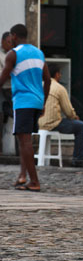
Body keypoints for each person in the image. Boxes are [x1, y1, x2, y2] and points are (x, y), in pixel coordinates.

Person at [0, 24, 51, 191]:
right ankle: (22, 176)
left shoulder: (13, 54)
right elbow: (48, 80)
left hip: (23, 101)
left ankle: (34, 181)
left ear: (14, 36)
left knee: (25, 141)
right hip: (37, 101)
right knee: (23, 140)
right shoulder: (38, 53)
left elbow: (3, 78)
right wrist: (43, 102)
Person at [39, 63, 83, 167]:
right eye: (60, 74)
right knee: (81, 126)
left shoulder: (39, 85)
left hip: (38, 123)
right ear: (56, 75)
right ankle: (78, 160)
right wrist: (75, 117)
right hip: (53, 123)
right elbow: (68, 110)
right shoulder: (59, 88)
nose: (60, 76)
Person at [0, 31, 13, 149]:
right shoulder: (1, 55)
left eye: (12, 42)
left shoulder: (14, 54)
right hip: (3, 88)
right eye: (8, 42)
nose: (10, 44)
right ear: (2, 42)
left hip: (12, 88)